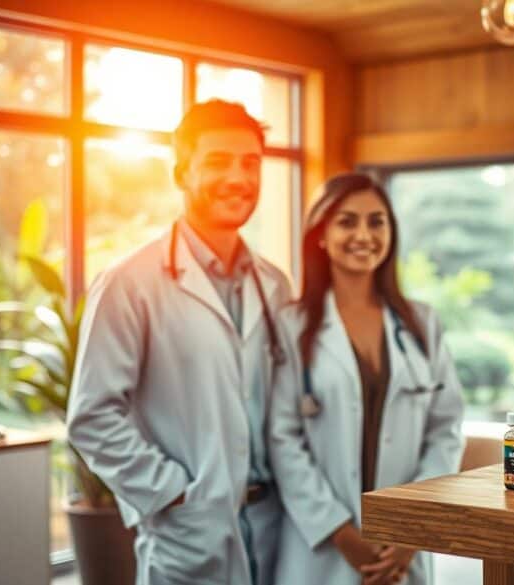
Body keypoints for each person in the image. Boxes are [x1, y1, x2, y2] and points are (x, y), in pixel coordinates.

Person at [67, 100, 289, 584]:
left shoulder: (275, 285)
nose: (238, 177)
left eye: (250, 163)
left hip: (277, 530)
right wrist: (173, 493)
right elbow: (92, 416)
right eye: (217, 162)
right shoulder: (130, 283)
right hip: (192, 533)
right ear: (181, 174)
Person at [269, 173, 464, 585]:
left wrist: (412, 529)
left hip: (402, 550)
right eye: (347, 221)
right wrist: (339, 533)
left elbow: (445, 430)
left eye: (377, 221)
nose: (364, 234)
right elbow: (283, 438)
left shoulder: (422, 324)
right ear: (320, 235)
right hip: (320, 550)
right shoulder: (293, 325)